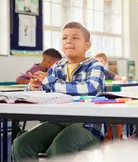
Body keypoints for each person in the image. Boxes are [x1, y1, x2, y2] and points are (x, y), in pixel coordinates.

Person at [12, 21, 105, 161]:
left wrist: (49, 81)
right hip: (57, 121)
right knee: (21, 144)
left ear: (87, 45)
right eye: (65, 38)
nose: (69, 41)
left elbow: (90, 89)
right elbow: (45, 92)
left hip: (86, 124)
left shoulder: (94, 65)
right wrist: (34, 87)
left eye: (75, 38)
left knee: (61, 146)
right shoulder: (57, 67)